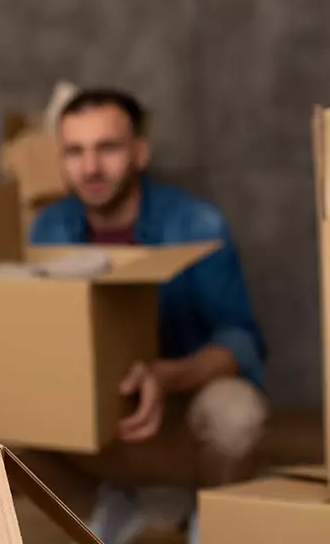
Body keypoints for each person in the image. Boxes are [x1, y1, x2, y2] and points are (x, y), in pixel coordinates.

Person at [29, 88, 267, 544]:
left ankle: (209, 513)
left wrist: (169, 376)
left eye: (108, 148)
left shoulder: (196, 223)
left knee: (237, 414)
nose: (91, 167)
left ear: (140, 152)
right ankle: (106, 504)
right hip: (96, 407)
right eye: (75, 152)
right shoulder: (49, 228)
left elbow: (242, 339)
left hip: (180, 402)